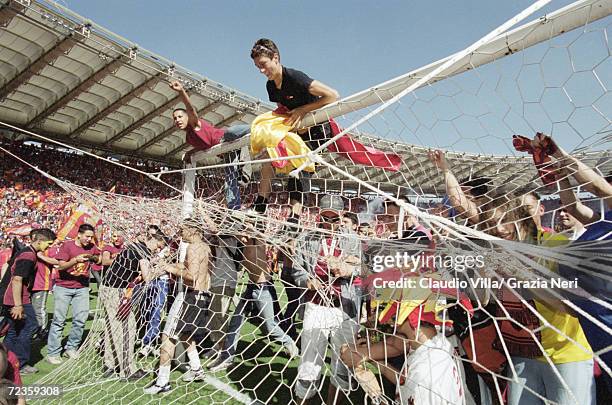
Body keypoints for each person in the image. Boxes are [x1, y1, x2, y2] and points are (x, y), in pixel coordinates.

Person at [249, 38, 340, 214]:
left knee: (299, 169)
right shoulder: (271, 86)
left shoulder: (295, 77)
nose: (261, 70)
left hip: (317, 132)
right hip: (297, 132)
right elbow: (282, 108)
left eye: (263, 64)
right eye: (257, 67)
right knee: (268, 154)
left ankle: (294, 219)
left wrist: (303, 110)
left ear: (275, 57)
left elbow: (332, 95)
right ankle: (260, 207)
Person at [289, 195, 362, 404]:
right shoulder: (307, 238)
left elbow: (364, 270)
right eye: (325, 218)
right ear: (318, 215)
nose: (329, 224)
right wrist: (308, 281)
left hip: (344, 309)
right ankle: (304, 397)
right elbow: (297, 271)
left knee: (343, 360)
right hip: (316, 306)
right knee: (310, 359)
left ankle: (335, 399)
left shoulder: (352, 240)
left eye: (334, 219)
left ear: (341, 217)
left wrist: (348, 270)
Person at [207, 232, 299, 372]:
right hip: (251, 287)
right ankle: (227, 357)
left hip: (263, 289)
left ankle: (289, 343)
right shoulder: (244, 241)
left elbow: (249, 233)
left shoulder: (258, 240)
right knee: (235, 323)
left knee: (269, 326)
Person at [144, 219, 213, 395]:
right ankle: (197, 369)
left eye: (182, 229)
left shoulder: (193, 248)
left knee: (167, 337)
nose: (180, 233)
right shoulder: (204, 247)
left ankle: (162, 382)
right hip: (202, 296)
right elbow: (190, 267)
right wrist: (169, 265)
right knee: (184, 334)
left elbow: (192, 276)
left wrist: (168, 267)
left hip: (190, 296)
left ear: (192, 230)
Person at [170, 80, 250, 210]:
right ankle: (235, 213)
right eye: (175, 118)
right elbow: (203, 145)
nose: (177, 120)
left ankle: (264, 126)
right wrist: (190, 152)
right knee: (229, 183)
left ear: (187, 117)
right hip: (227, 153)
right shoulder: (189, 138)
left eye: (180, 117)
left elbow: (190, 108)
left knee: (232, 131)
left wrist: (181, 91)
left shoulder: (195, 124)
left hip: (226, 138)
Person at [99, 231, 166, 380]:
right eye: (158, 246)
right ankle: (127, 370)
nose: (157, 250)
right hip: (115, 291)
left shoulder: (135, 247)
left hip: (109, 288)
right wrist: (162, 269)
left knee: (112, 327)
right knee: (127, 328)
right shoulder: (143, 252)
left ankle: (110, 363)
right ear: (154, 240)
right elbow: (148, 278)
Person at [0, 228, 56, 374]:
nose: (49, 247)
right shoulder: (28, 255)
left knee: (13, 331)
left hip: (14, 298)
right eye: (48, 243)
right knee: (29, 326)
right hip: (17, 300)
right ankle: (21, 363)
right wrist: (18, 305)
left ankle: (5, 361)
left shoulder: (27, 252)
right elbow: (17, 279)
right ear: (39, 241)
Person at [47, 223, 101, 364]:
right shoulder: (67, 246)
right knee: (59, 320)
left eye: (91, 237)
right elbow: (61, 266)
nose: (89, 239)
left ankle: (71, 347)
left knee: (80, 319)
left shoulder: (91, 247)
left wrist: (93, 258)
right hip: (63, 287)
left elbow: (99, 259)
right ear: (79, 234)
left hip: (82, 287)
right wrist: (74, 260)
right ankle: (53, 352)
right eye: (87, 236)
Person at [30, 238, 60, 341]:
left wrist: (41, 256)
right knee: (30, 310)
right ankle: (33, 330)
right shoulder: (30, 249)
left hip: (41, 284)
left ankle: (42, 332)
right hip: (29, 284)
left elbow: (57, 262)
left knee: (39, 309)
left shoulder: (50, 249)